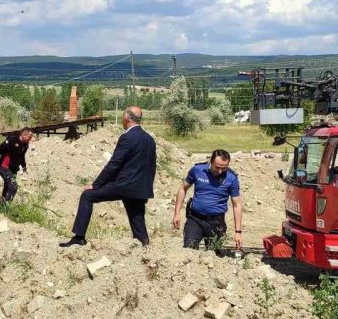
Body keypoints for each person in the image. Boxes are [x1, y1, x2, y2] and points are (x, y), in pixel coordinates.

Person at [61, 106, 156, 248]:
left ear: (126, 118)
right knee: (137, 218)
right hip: (139, 189)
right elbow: (152, 166)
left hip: (124, 185)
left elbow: (114, 164)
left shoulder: (127, 137)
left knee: (87, 196)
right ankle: (144, 245)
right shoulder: (149, 139)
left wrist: (96, 184)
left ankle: (79, 237)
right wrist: (146, 190)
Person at [172, 149, 243, 250]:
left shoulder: (231, 178)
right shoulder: (197, 170)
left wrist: (238, 232)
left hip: (216, 222)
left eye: (224, 168)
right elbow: (183, 188)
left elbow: (237, 205)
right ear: (211, 161)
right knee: (189, 249)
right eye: (217, 167)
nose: (220, 171)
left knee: (214, 254)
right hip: (195, 219)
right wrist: (177, 213)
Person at [0, 127, 33, 203]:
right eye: (29, 137)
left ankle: (1, 205)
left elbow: (22, 156)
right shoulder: (12, 140)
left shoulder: (25, 145)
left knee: (7, 187)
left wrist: (24, 166)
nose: (31, 139)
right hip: (4, 167)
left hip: (13, 170)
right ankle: (6, 206)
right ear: (24, 135)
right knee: (13, 187)